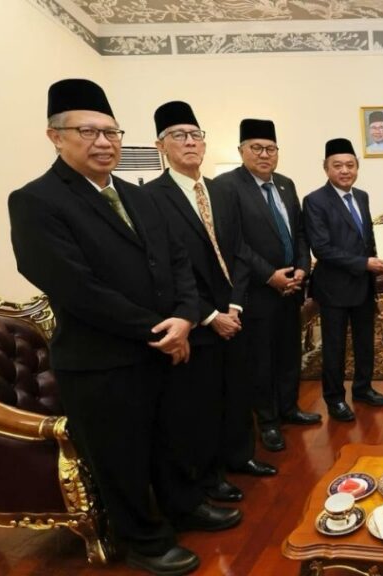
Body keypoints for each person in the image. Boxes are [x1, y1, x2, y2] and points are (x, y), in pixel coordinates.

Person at [7, 79, 232, 576]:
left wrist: (186, 315)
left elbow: (178, 260)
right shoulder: (36, 201)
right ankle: (144, 541)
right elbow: (77, 288)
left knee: (172, 439)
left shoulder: (139, 196)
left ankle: (184, 506)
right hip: (102, 360)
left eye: (111, 132)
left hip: (165, 346)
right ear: (55, 137)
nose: (103, 142)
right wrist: (160, 330)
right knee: (122, 456)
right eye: (87, 131)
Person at [145, 101, 256, 505]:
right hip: (196, 319)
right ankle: (210, 477)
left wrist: (236, 306)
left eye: (195, 135)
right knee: (203, 403)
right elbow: (167, 268)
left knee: (238, 391)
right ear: (161, 146)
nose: (190, 142)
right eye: (179, 136)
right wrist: (210, 315)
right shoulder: (150, 198)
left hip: (235, 313)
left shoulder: (222, 191)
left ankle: (241, 456)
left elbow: (239, 251)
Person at [213, 119, 319, 455]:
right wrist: (270, 275)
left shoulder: (285, 184)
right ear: (241, 150)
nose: (264, 154)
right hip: (257, 291)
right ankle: (268, 420)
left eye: (270, 148)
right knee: (260, 360)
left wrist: (302, 268)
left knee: (289, 352)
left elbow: (299, 232)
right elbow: (235, 242)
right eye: (256, 148)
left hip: (291, 287)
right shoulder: (227, 186)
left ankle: (289, 408)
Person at [302, 138, 383, 422]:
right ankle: (335, 398)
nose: (345, 171)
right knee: (335, 347)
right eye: (337, 165)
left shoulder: (361, 196)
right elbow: (322, 248)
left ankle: (363, 388)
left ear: (357, 167)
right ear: (326, 168)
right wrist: (364, 263)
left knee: (365, 341)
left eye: (350, 165)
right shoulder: (315, 201)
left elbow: (365, 238)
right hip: (334, 287)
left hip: (363, 285)